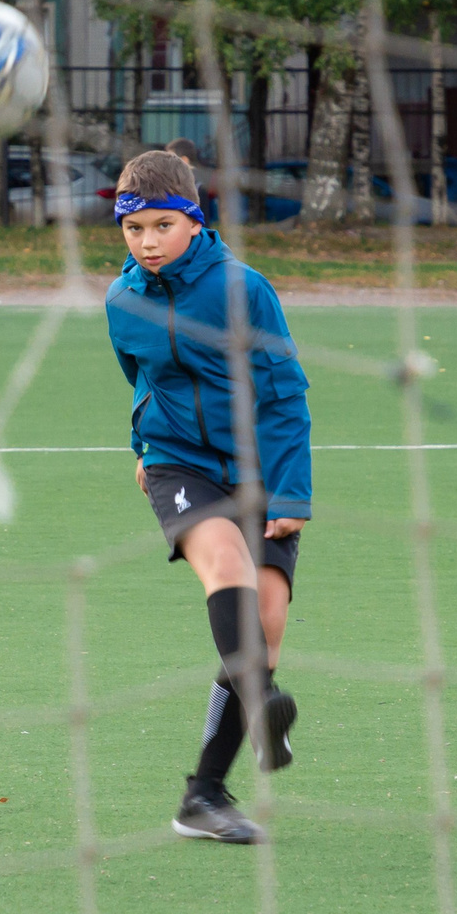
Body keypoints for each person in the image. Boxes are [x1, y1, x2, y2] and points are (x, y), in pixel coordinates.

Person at [105, 148, 311, 845]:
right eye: (134, 230)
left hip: (261, 469)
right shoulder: (121, 298)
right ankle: (261, 704)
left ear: (196, 220)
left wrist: (289, 491)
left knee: (268, 622)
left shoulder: (243, 289)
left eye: (162, 226)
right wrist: (145, 448)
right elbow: (142, 375)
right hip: (179, 465)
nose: (148, 242)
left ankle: (203, 795)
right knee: (225, 568)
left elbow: (284, 395)